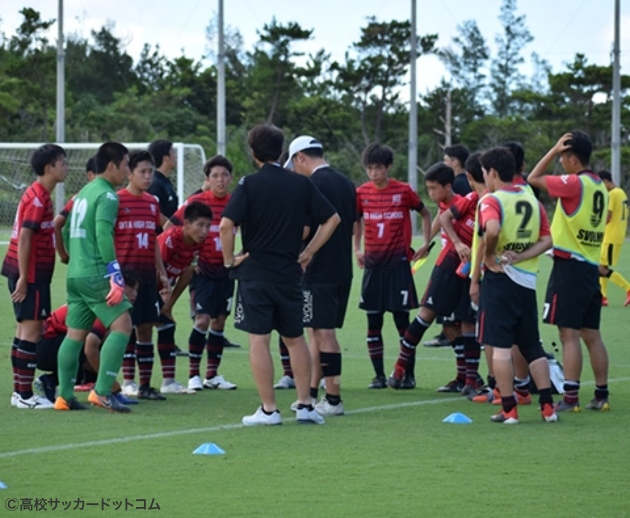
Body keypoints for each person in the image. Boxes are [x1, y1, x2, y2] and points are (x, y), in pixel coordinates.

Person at [219, 124, 340, 426]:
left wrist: (228, 260)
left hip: (256, 274)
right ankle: (305, 405)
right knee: (295, 339)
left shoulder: (248, 184)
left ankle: (270, 410)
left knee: (258, 341)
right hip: (290, 274)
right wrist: (309, 251)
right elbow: (332, 219)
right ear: (281, 150)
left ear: (253, 152)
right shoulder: (299, 183)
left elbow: (225, 226)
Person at [528, 130, 610, 412]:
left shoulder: (575, 183)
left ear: (572, 158)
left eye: (563, 158)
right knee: (592, 334)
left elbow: (533, 179)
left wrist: (551, 150)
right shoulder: (600, 185)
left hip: (570, 267)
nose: (561, 162)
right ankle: (601, 395)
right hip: (590, 267)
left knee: (569, 335)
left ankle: (571, 397)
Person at [477, 146, 558, 424]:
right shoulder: (531, 200)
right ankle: (547, 408)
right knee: (531, 345)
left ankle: (509, 409)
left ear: (494, 173)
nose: (485, 178)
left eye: (485, 173)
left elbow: (493, 229)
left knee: (499, 345)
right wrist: (522, 256)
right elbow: (548, 240)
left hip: (500, 280)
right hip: (527, 281)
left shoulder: (491, 200)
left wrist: (488, 256)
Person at [55, 141, 134, 413]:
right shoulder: (108, 196)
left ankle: (64, 396)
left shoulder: (82, 193)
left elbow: (63, 228)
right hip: (96, 274)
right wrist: (114, 271)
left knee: (74, 335)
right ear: (111, 166)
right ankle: (102, 392)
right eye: (125, 165)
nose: (127, 171)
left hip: (75, 274)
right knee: (123, 326)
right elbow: (102, 233)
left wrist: (68, 256)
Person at [387, 162, 477, 391]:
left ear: (448, 186)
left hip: (458, 269)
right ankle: (400, 367)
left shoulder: (463, 203)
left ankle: (466, 378)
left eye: (433, 188)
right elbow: (439, 222)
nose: (430, 194)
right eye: (428, 189)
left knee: (461, 323)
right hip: (448, 267)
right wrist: (426, 245)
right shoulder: (443, 204)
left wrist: (456, 243)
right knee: (447, 325)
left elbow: (452, 223)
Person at [284, 135, 357, 416]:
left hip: (318, 270)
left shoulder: (311, 184)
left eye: (294, 163)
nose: (294, 169)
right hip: (342, 268)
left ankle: (335, 399)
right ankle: (312, 394)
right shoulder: (346, 183)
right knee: (316, 330)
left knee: (324, 333)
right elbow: (351, 226)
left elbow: (305, 228)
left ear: (301, 157)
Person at [355, 143, 432, 389]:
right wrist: (357, 247)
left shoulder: (404, 191)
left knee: (403, 325)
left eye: (378, 168)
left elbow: (426, 213)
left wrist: (426, 243)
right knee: (373, 324)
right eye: (369, 168)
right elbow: (355, 219)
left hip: (399, 266)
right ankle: (378, 376)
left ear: (388, 167)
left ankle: (407, 375)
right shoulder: (361, 193)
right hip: (373, 267)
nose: (373, 173)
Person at [164, 155, 240, 391]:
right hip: (202, 270)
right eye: (215, 176)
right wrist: (187, 257)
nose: (220, 180)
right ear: (207, 179)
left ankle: (212, 375)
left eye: (224, 175)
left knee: (219, 322)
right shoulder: (196, 202)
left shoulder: (236, 202)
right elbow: (170, 228)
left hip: (226, 270)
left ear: (231, 178)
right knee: (203, 319)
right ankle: (193, 375)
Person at [2, 144, 68, 409]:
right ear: (49, 167)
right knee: (31, 332)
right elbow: (26, 236)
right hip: (29, 275)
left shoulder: (39, 194)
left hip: (27, 273)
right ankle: (26, 396)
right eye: (62, 162)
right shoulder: (39, 196)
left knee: (23, 332)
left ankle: (20, 392)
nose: (66, 167)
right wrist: (23, 278)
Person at [36, 268, 140, 405]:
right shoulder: (105, 303)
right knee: (91, 351)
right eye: (130, 288)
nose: (135, 294)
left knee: (100, 350)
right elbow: (90, 348)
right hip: (45, 347)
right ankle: (103, 392)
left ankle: (51, 383)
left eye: (136, 289)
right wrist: (112, 384)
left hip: (46, 345)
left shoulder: (99, 296)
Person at [115, 150, 172, 399]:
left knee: (146, 328)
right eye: (143, 172)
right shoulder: (116, 200)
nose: (148, 176)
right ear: (129, 173)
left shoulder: (152, 202)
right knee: (124, 328)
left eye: (150, 171)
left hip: (148, 277)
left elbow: (153, 240)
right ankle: (128, 381)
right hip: (125, 278)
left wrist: (162, 271)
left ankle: (146, 385)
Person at [54, 156, 96, 264]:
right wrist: (63, 255)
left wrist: (63, 256)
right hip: (92, 264)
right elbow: (56, 224)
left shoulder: (79, 196)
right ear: (91, 176)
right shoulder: (80, 197)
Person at [597, 169, 630, 306]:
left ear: (605, 181)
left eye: (600, 184)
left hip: (611, 236)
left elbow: (607, 216)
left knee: (602, 268)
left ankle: (628, 288)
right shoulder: (621, 192)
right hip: (616, 235)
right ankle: (603, 297)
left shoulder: (612, 194)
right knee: (602, 265)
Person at [148, 139, 178, 231]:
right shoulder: (155, 184)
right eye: (173, 152)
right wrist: (174, 230)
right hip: (160, 239)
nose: (176, 156)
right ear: (165, 158)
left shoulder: (166, 181)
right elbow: (157, 213)